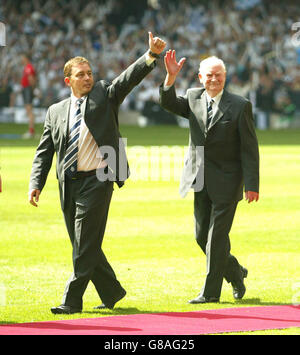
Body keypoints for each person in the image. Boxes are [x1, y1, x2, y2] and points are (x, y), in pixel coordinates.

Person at [29, 32, 166, 314]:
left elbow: (127, 79)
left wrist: (150, 56)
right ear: (68, 81)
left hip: (99, 179)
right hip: (68, 184)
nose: (88, 78)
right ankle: (112, 291)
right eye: (81, 75)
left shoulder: (104, 94)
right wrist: (36, 183)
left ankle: (72, 300)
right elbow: (44, 151)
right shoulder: (55, 111)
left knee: (84, 243)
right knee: (84, 243)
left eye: (90, 73)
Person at [160, 50, 259, 303]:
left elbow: (249, 148)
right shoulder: (193, 98)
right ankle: (236, 273)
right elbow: (169, 103)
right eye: (209, 75)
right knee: (201, 237)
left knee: (216, 239)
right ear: (200, 77)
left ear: (225, 77)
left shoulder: (240, 105)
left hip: (228, 181)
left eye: (219, 75)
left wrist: (252, 184)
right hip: (199, 178)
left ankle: (210, 293)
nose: (214, 80)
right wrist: (170, 78)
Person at [20, 53, 37, 139]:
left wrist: (32, 90)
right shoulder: (27, 67)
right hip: (26, 89)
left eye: (22, 57)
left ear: (26, 58)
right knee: (28, 110)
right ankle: (31, 131)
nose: (21, 59)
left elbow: (31, 79)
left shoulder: (29, 67)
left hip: (28, 89)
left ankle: (31, 131)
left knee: (29, 110)